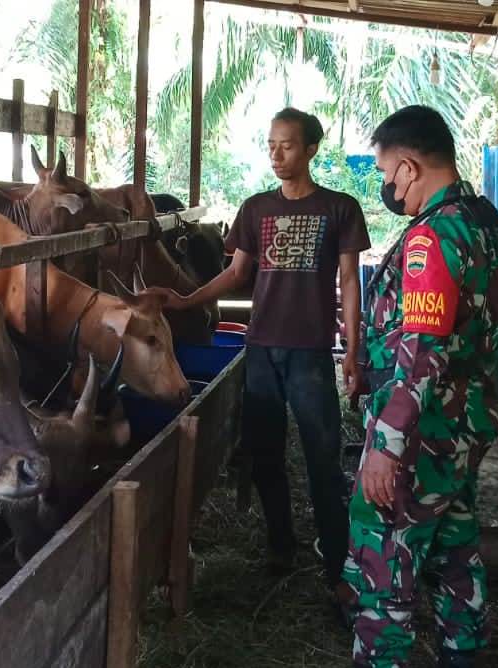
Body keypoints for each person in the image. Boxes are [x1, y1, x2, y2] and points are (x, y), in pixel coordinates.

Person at [150, 107, 370, 589]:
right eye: (270, 144)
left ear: (311, 149)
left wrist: (353, 350)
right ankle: (281, 549)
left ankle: (338, 562)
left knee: (322, 460)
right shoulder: (256, 209)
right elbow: (236, 273)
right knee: (266, 456)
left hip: (311, 352)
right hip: (262, 350)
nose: (276, 153)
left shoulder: (340, 208)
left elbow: (350, 281)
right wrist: (186, 298)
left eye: (286, 145)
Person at [340, 105, 498, 668]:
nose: (388, 186)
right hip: (465, 431)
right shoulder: (490, 223)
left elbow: (422, 353)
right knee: (455, 554)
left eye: (387, 173)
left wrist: (385, 445)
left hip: (421, 435)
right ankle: (463, 655)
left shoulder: (433, 238)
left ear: (410, 167)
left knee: (385, 565)